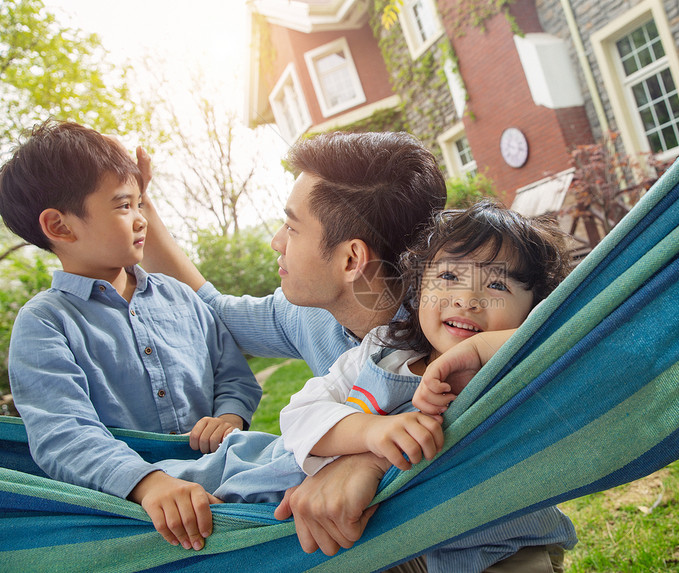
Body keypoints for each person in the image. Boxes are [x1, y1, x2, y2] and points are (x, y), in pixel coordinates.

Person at [139, 132, 571, 571]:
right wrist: (142, 207)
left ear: (351, 259)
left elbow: (559, 339)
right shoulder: (308, 316)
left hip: (485, 533)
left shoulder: (456, 321)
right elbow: (212, 310)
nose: (276, 242)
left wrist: (365, 459)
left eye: (291, 227)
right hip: (380, 537)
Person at [0, 120, 263, 552]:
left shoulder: (180, 296)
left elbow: (231, 373)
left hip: (225, 483)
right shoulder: (45, 323)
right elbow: (64, 434)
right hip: (135, 520)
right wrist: (148, 482)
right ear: (60, 227)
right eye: (124, 206)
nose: (142, 219)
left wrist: (230, 415)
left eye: (141, 202)